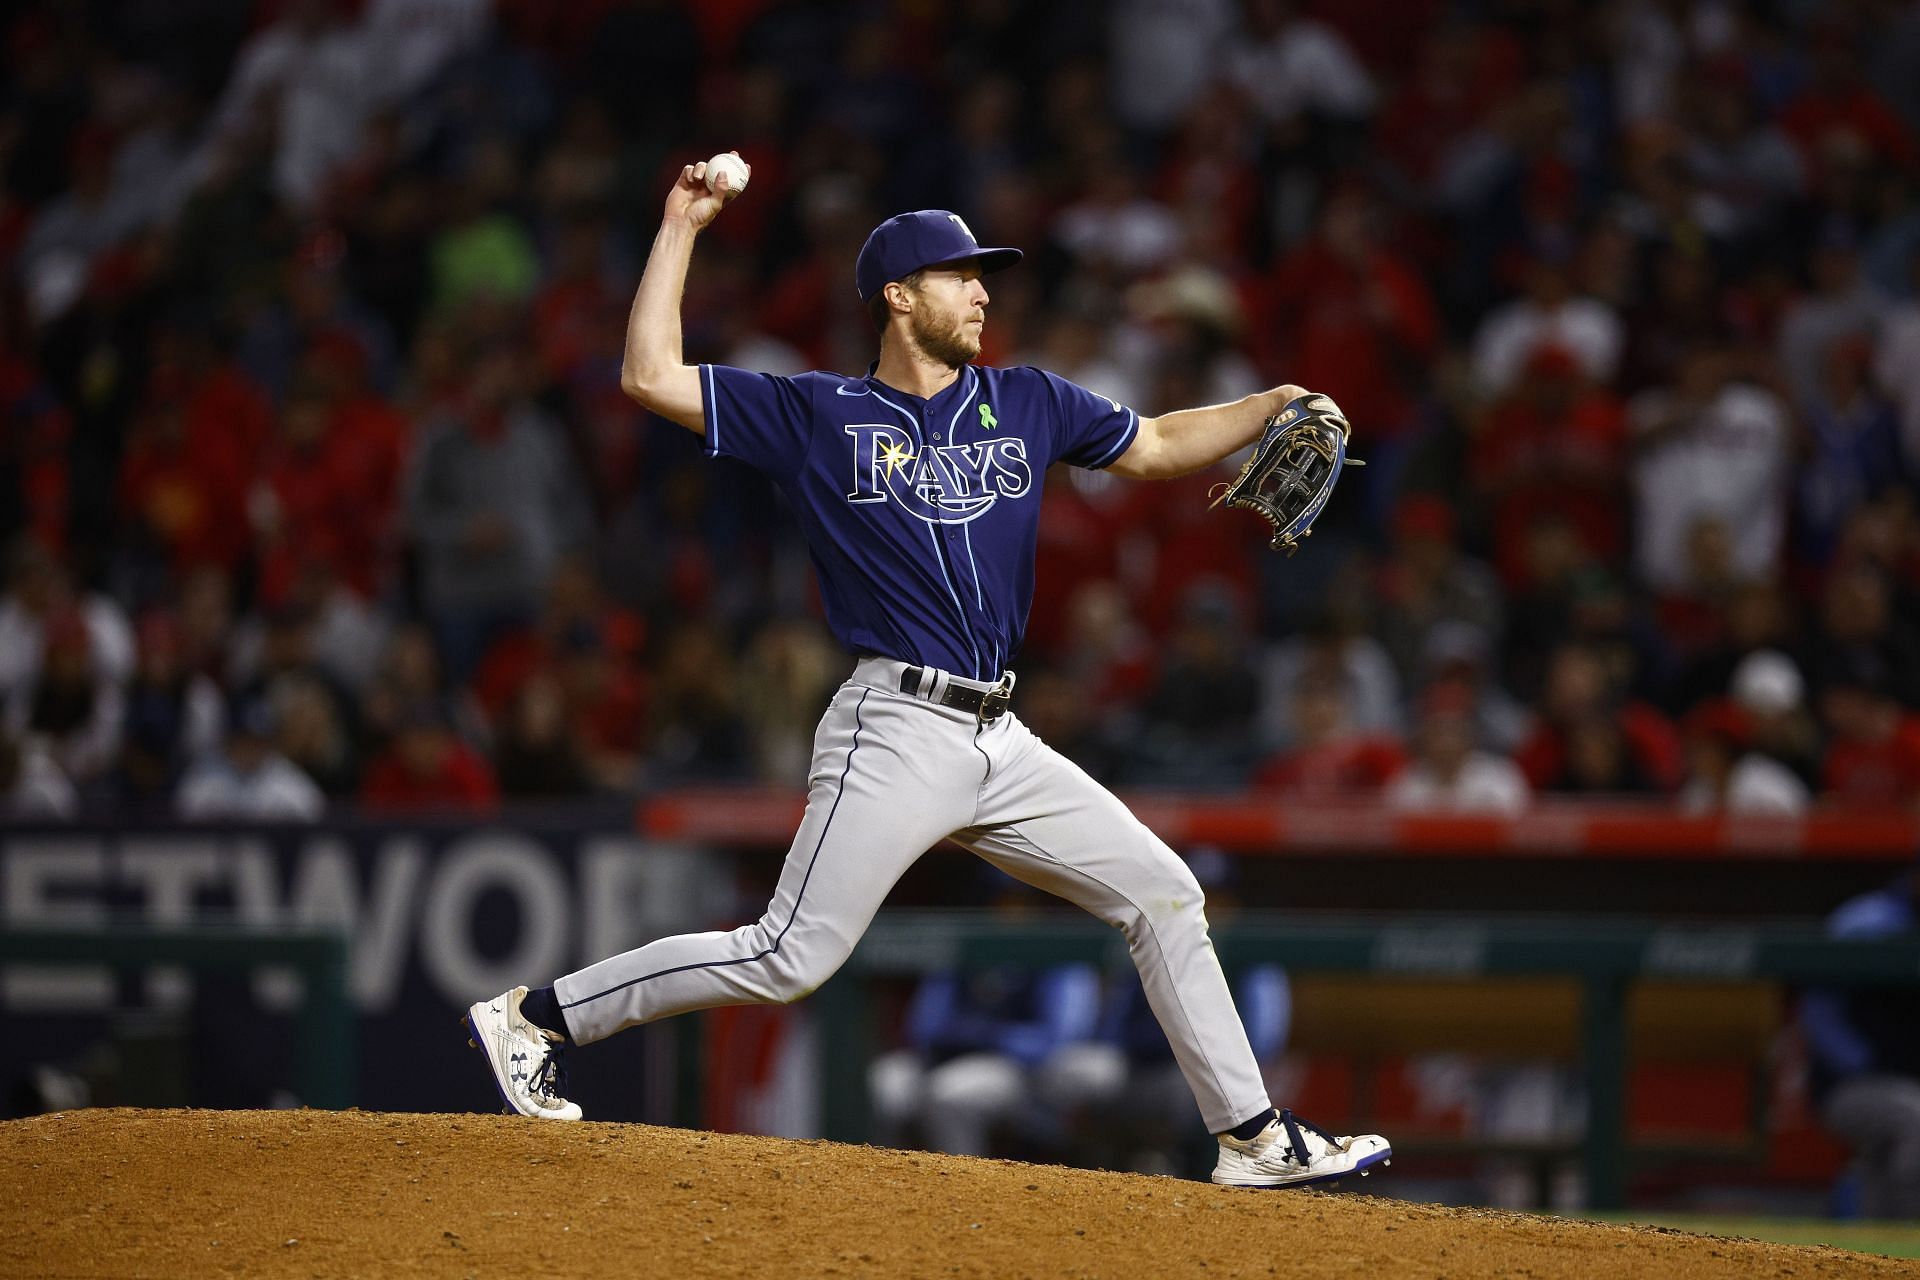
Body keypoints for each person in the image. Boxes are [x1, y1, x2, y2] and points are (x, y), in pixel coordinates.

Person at [464, 154, 1390, 1189]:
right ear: (899, 295)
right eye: (962, 274)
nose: (985, 290)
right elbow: (648, 375)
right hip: (893, 724)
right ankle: (536, 1015)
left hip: (1001, 732)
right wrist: (681, 221)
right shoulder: (817, 413)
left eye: (984, 274)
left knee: (1164, 891)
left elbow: (1162, 442)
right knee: (787, 956)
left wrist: (1268, 402)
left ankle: (1252, 1134)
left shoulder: (1029, 399)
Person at [1800, 867, 1920, 1219]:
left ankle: (1872, 1252)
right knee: (1914, 1119)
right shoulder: (1867, 921)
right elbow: (1819, 1014)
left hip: (1904, 1083)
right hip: (1853, 1086)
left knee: (1882, 1160)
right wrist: (1864, 1062)